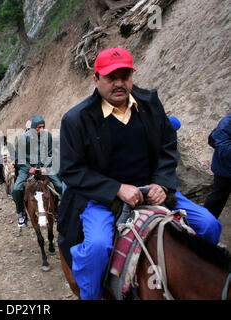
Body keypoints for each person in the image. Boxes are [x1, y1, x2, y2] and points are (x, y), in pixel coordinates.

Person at [58, 47, 222, 300]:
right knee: (97, 249)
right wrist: (117, 189)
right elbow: (72, 170)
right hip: (103, 198)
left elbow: (168, 146)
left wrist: (162, 184)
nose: (119, 83)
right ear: (96, 79)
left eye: (125, 76)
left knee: (210, 225)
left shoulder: (149, 103)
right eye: (112, 77)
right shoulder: (76, 120)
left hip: (153, 190)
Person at [13, 114, 63, 228]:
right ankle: (21, 213)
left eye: (43, 127)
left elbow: (50, 154)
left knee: (60, 186)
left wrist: (45, 167)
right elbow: (18, 159)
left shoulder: (48, 136)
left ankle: (60, 209)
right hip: (28, 169)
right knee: (16, 189)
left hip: (44, 168)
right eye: (39, 127)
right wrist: (28, 168)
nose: (42, 129)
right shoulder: (23, 138)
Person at [204, 114, 231, 219]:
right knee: (217, 198)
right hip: (224, 170)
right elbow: (224, 148)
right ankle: (205, 223)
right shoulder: (227, 123)